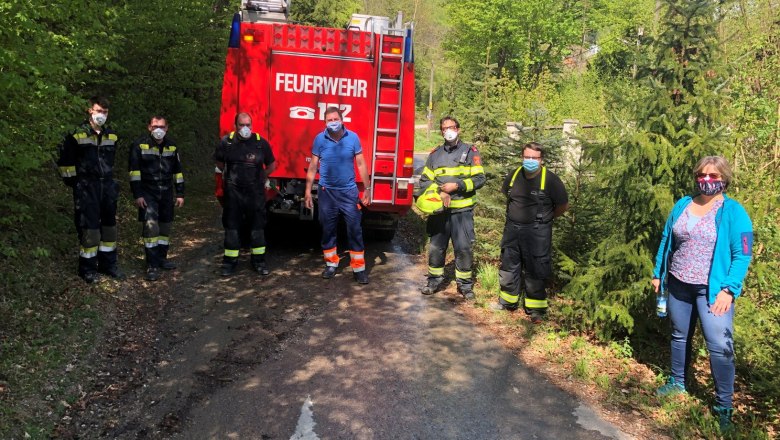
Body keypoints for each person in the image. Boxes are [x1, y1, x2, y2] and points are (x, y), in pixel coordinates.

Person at [652, 156, 753, 432]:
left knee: (720, 346)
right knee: (679, 335)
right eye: (702, 175)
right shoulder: (684, 204)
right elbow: (666, 238)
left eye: (713, 176)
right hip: (679, 283)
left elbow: (742, 254)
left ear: (724, 179)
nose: (707, 181)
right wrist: (657, 272)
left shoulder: (733, 212)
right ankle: (677, 383)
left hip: (713, 292)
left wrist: (729, 290)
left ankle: (723, 407)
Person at [492, 143, 568, 322]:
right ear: (522, 157)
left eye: (534, 158)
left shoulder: (551, 180)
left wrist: (544, 218)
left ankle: (536, 309)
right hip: (512, 229)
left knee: (536, 267)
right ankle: (507, 301)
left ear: (541, 160)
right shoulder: (514, 175)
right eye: (527, 157)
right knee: (509, 264)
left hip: (537, 231)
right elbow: (507, 196)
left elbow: (563, 206)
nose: (530, 161)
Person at [416, 116, 486, 299]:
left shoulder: (470, 152)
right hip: (439, 211)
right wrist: (439, 192)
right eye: (445, 128)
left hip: (462, 212)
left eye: (452, 127)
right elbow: (424, 182)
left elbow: (480, 179)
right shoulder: (434, 155)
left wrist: (458, 186)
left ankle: (464, 285)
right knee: (436, 248)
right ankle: (434, 280)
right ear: (441, 131)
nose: (448, 131)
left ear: (458, 129)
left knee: (463, 248)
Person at [57, 96, 124, 283]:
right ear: (90, 110)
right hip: (87, 188)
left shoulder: (112, 135)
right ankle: (87, 269)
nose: (101, 115)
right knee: (90, 229)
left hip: (108, 187)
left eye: (105, 112)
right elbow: (65, 164)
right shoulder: (76, 134)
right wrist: (76, 184)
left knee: (109, 229)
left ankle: (108, 265)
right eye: (98, 111)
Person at [304, 107, 371, 284]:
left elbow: (361, 163)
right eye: (328, 120)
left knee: (355, 229)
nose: (332, 122)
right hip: (327, 192)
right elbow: (313, 167)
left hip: (349, 192)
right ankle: (331, 264)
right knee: (327, 228)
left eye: (335, 118)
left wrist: (367, 188)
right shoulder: (320, 139)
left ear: (341, 119)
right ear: (325, 122)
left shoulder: (353, 138)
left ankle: (359, 269)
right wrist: (307, 191)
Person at [215, 112, 276, 277]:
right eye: (242, 125)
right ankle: (229, 263)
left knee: (257, 228)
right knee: (232, 228)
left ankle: (259, 262)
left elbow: (271, 165)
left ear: (252, 125)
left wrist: (261, 177)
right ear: (236, 126)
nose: (245, 128)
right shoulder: (226, 142)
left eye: (248, 125)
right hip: (233, 193)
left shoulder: (260, 143)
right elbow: (220, 163)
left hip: (255, 193)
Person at [129, 116, 185, 281]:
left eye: (161, 126)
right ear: (149, 127)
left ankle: (162, 259)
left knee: (165, 228)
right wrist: (137, 194)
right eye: (155, 126)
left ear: (167, 128)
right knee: (151, 228)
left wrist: (180, 193)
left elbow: (178, 172)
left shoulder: (172, 146)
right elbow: (134, 172)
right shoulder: (139, 145)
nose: (158, 129)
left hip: (167, 192)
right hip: (148, 192)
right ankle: (151, 264)